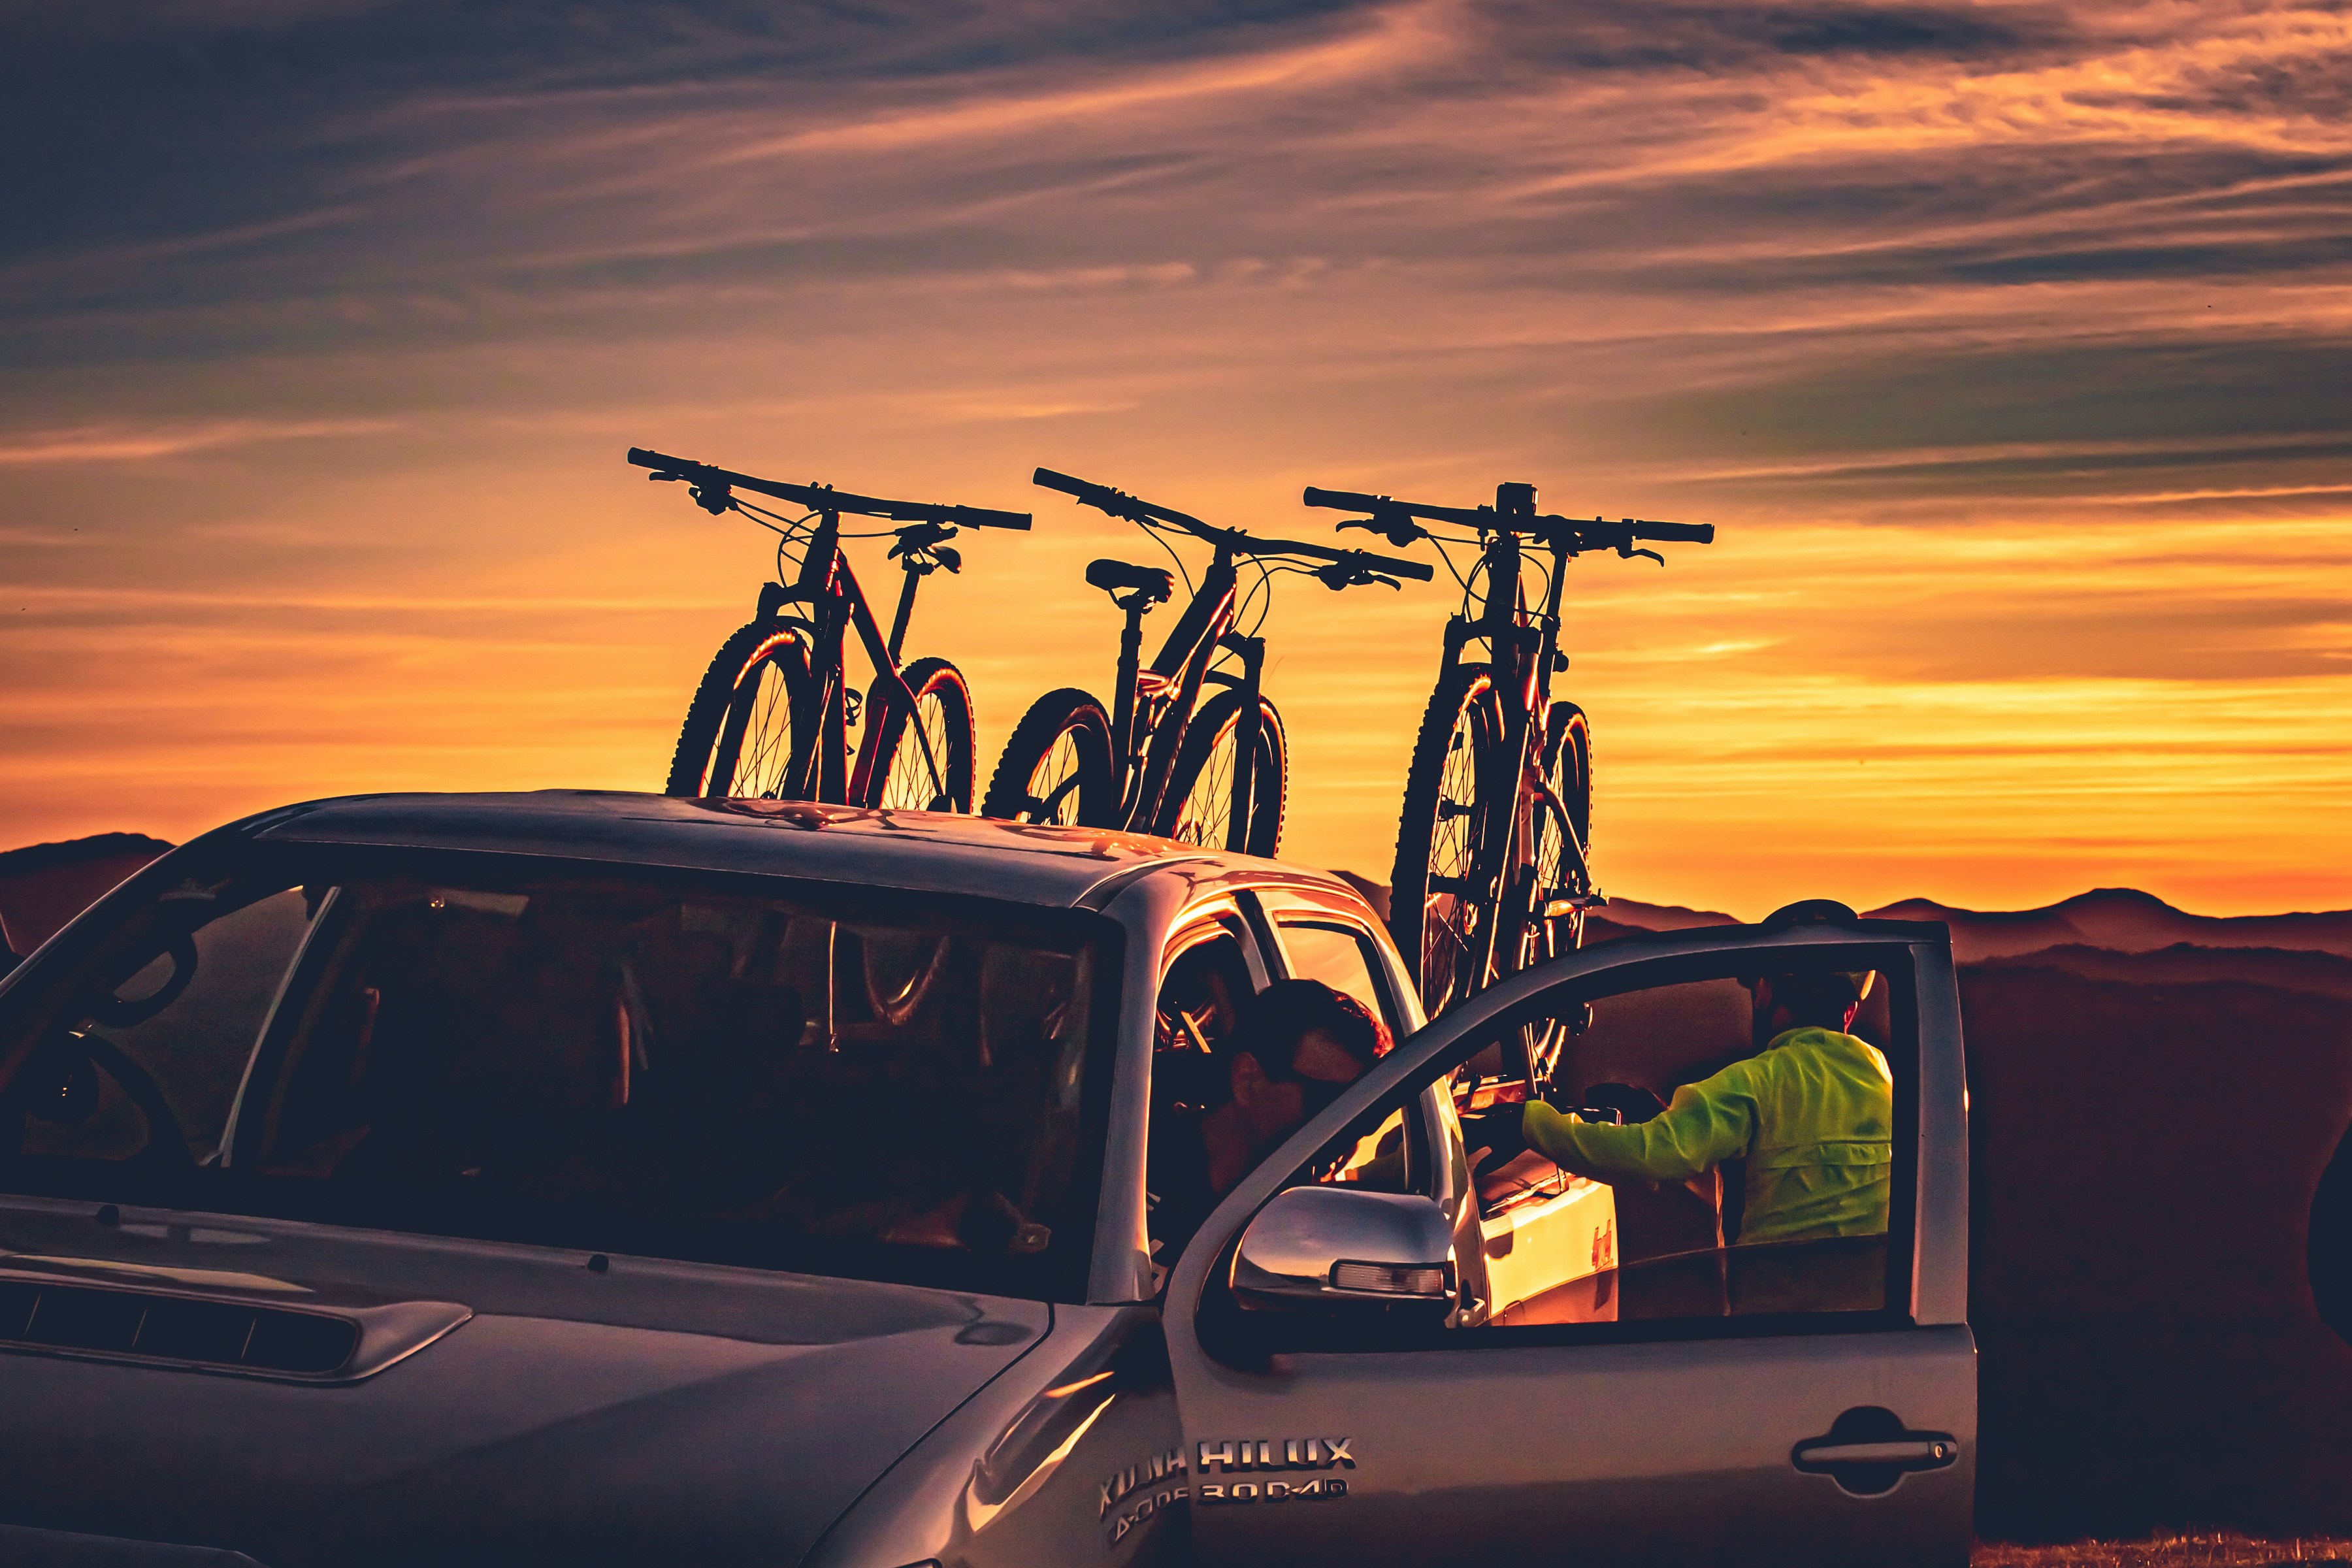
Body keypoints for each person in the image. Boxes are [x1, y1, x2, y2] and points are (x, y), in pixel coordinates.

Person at [1467, 970, 1893, 1247]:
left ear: (1765, 993)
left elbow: (1652, 1155)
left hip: (1779, 1335)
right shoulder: (1883, 1081)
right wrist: (1668, 1116)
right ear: (1850, 1012)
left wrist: (1532, 1122)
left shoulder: (1759, 1082)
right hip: (1873, 1332)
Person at [1147, 979, 1388, 1267]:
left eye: (1364, 1117)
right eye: (1328, 1104)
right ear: (1247, 1082)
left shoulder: (1298, 1228)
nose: (1345, 1131)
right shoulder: (1126, 1173)